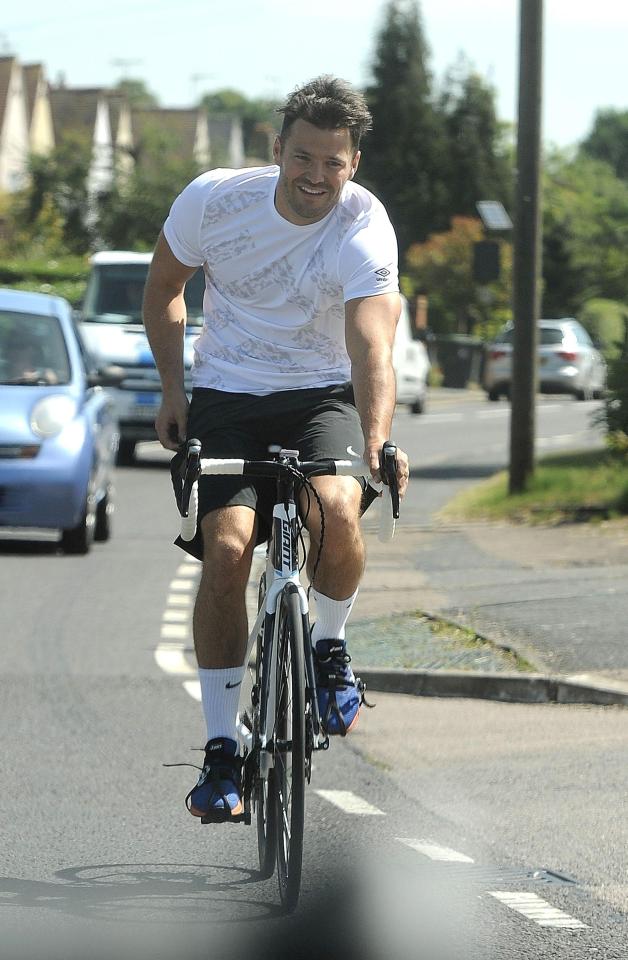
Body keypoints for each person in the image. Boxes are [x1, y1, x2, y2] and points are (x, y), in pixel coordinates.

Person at [143, 75, 409, 822]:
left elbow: (370, 342)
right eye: (303, 157)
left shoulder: (364, 224)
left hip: (322, 392)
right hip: (228, 394)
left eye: (334, 161)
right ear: (277, 151)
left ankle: (329, 649)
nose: (316, 176)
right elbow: (164, 288)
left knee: (335, 508)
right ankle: (223, 750)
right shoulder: (214, 201)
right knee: (227, 552)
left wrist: (377, 436)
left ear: (352, 162)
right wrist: (174, 392)